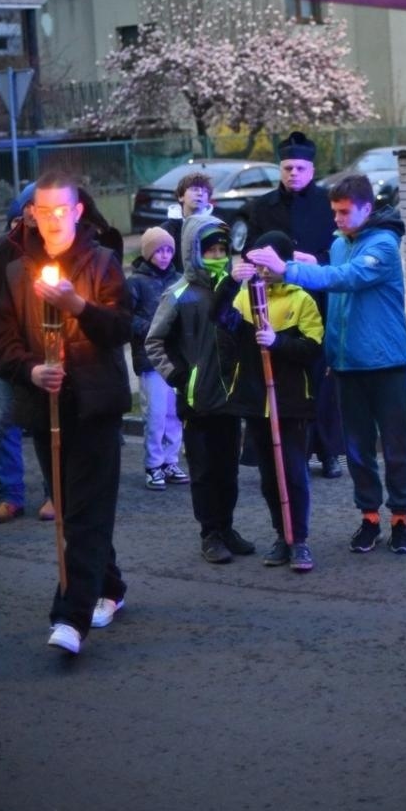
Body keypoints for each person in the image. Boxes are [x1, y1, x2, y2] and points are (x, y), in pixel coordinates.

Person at [0, 170, 132, 656]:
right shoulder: (16, 271)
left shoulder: (103, 263)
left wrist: (78, 306)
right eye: (41, 211)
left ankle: (70, 619)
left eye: (60, 210)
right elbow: (2, 341)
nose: (51, 220)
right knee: (72, 512)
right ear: (32, 213)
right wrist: (31, 371)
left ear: (76, 212)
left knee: (87, 516)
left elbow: (120, 328)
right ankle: (110, 587)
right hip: (46, 408)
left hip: (95, 406)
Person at [247, 174, 406, 555]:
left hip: (386, 364)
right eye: (333, 212)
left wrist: (289, 269)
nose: (336, 219)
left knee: (395, 446)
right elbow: (335, 282)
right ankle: (369, 518)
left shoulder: (385, 244)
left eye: (343, 212)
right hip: (346, 365)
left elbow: (348, 279)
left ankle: (401, 519)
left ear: (367, 209)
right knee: (355, 449)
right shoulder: (341, 244)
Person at [145, 215, 254, 565]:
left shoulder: (233, 289)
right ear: (193, 252)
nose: (219, 255)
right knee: (204, 470)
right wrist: (179, 376)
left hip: (231, 395)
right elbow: (155, 341)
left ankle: (226, 527)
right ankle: (210, 532)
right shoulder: (178, 294)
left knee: (228, 469)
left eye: (223, 249)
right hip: (197, 399)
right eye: (210, 250)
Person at [243, 130, 343, 479]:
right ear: (280, 169)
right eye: (287, 168)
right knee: (282, 374)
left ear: (311, 170)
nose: (293, 174)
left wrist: (315, 260)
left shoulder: (328, 203)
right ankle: (281, 449)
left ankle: (328, 450)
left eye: (300, 168)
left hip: (318, 298)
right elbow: (251, 249)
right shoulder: (262, 206)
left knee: (322, 375)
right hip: (277, 303)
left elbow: (340, 250)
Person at [228, 231, 323, 571]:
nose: (263, 271)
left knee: (293, 472)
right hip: (257, 402)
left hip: (292, 402)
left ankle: (299, 539)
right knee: (269, 476)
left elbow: (312, 349)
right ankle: (280, 536)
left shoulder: (301, 300)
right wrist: (229, 283)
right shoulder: (243, 298)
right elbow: (221, 324)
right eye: (258, 265)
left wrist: (278, 341)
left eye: (269, 264)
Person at [0, 182, 53, 523]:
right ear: (21, 212)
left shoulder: (57, 246)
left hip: (49, 350)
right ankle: (11, 495)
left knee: (49, 423)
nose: (35, 214)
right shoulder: (0, 249)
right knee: (2, 423)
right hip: (11, 354)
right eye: (29, 207)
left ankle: (55, 493)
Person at [128, 226, 186, 490]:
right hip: (151, 357)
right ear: (148, 253)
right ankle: (153, 463)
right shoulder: (136, 283)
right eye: (159, 250)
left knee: (175, 412)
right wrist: (152, 328)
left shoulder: (180, 279)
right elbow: (126, 317)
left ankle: (171, 459)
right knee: (156, 414)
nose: (164, 255)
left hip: (176, 356)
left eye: (168, 250)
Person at [162, 170, 213, 273]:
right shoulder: (165, 231)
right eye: (194, 189)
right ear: (181, 197)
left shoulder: (216, 228)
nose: (200, 193)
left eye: (204, 191)